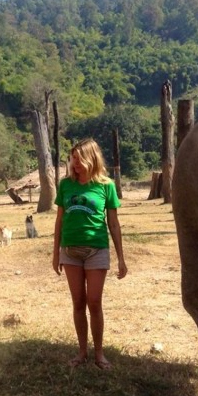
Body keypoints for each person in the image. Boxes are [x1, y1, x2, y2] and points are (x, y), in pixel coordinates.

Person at [52, 138, 128, 369]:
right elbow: (59, 220)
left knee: (94, 302)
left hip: (97, 250)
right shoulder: (65, 185)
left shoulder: (106, 185)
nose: (74, 163)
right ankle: (82, 352)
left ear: (91, 158)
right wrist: (55, 254)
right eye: (72, 158)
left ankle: (99, 354)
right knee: (78, 302)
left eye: (78, 158)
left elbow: (113, 224)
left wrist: (121, 258)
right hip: (70, 251)